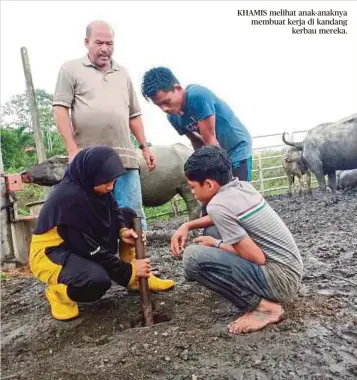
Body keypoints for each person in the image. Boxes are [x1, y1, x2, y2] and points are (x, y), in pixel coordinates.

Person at [29, 146, 174, 321]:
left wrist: (122, 230)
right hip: (53, 253)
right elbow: (89, 248)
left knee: (128, 214)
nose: (110, 186)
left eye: (112, 180)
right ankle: (59, 293)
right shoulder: (68, 198)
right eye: (106, 182)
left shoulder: (93, 186)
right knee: (96, 281)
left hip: (79, 242)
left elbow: (113, 208)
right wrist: (128, 271)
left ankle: (136, 281)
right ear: (90, 174)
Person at [171, 146, 303, 334]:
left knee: (193, 258)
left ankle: (265, 308)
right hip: (291, 270)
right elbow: (220, 217)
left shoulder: (217, 205)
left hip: (280, 280)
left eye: (193, 187)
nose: (192, 192)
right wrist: (187, 226)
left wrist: (216, 244)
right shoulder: (242, 187)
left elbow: (257, 258)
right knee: (212, 229)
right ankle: (253, 293)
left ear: (208, 185)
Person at [53, 20, 153, 231]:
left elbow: (134, 115)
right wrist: (72, 149)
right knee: (92, 216)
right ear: (86, 42)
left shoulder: (123, 73)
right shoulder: (70, 69)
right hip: (89, 161)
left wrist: (144, 146)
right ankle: (102, 263)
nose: (105, 48)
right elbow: (60, 109)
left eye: (110, 43)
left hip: (124, 158)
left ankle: (138, 263)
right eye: (99, 42)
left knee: (132, 214)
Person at [141, 66, 253, 181]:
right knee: (221, 190)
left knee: (239, 190)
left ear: (178, 88)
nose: (164, 108)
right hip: (217, 149)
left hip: (236, 146)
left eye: (166, 102)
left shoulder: (197, 95)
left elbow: (210, 140)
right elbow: (195, 141)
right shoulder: (173, 117)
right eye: (159, 105)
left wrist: (213, 173)